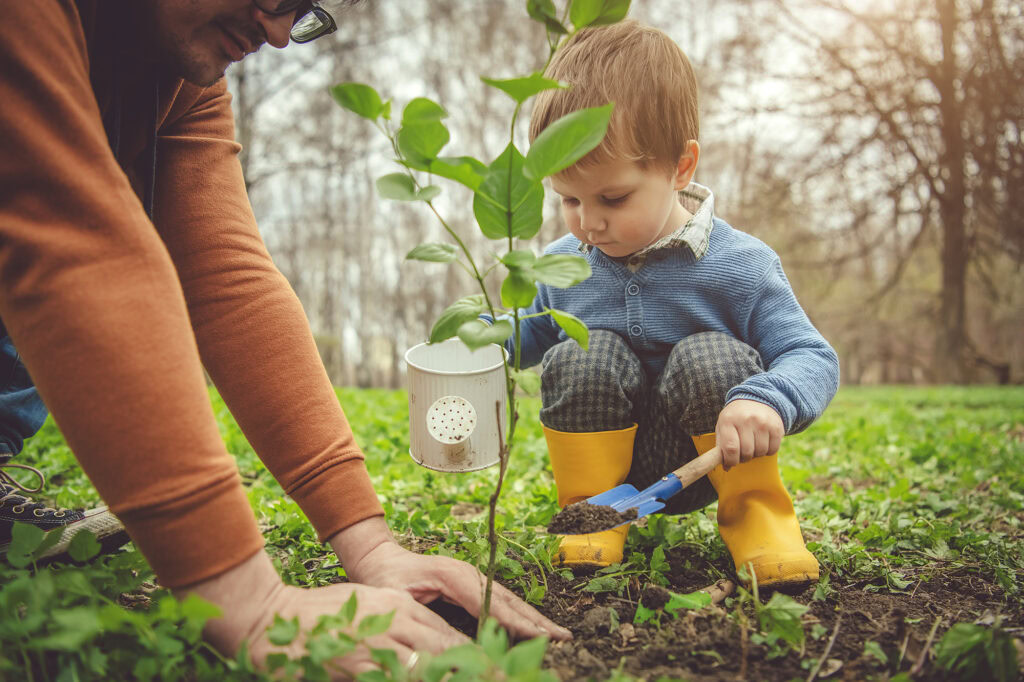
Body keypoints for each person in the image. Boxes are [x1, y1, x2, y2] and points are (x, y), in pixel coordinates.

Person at [0, 0, 570, 674]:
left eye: (302, 10)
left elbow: (225, 276)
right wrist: (246, 596)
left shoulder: (181, 72)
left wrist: (370, 547)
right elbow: (70, 243)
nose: (276, 33)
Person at [511, 20, 840, 588]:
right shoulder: (564, 261)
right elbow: (533, 334)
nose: (588, 222)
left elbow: (813, 355)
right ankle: (594, 518)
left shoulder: (741, 264)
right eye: (568, 199)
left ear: (680, 168)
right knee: (581, 352)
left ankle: (758, 519)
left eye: (613, 197)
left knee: (708, 354)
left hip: (716, 459)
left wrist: (769, 401)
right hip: (614, 464)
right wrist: (487, 339)